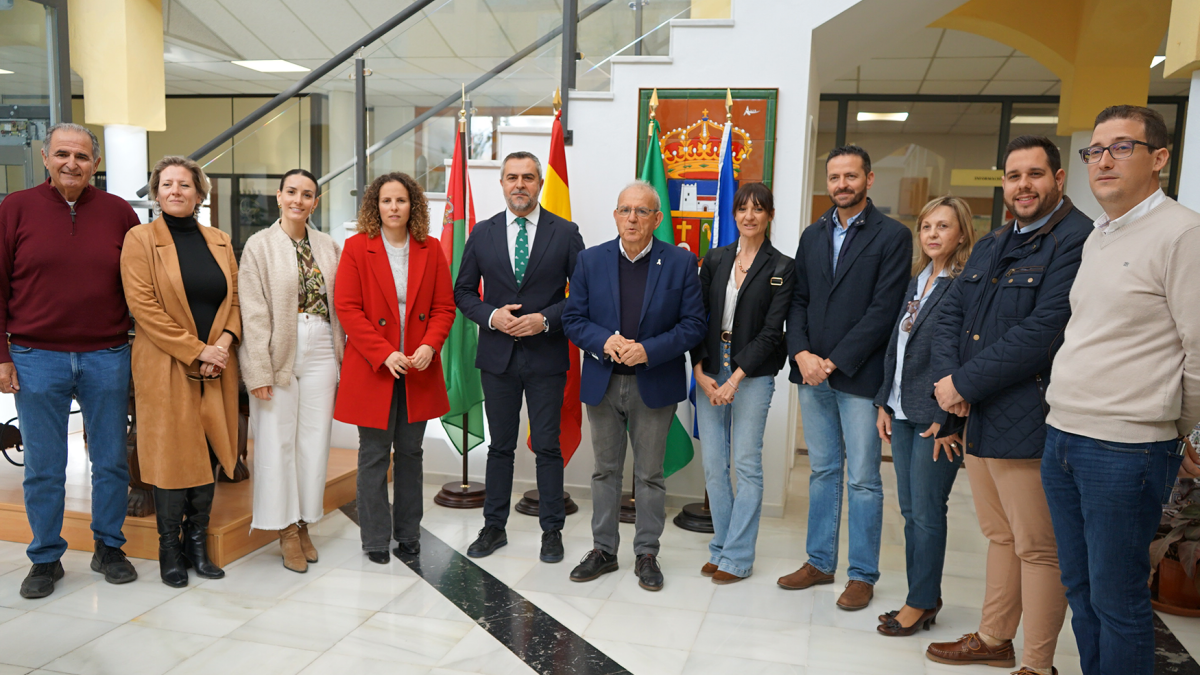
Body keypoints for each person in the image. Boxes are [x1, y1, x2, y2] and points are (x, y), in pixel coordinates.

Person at [1042, 106, 1200, 674]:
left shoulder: (1183, 232)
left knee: (1118, 599)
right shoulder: (1099, 235)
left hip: (1125, 448)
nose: (1103, 160)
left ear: (1159, 158)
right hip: (1063, 435)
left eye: (1121, 147)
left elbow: (1199, 350)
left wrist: (1171, 428)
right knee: (1081, 591)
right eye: (1095, 150)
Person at [925, 135, 1091, 675]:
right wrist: (951, 384)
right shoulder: (996, 241)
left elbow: (1045, 331)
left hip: (1031, 418)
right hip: (980, 417)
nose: (1024, 185)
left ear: (1058, 179)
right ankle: (995, 638)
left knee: (1039, 546)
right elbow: (951, 312)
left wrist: (964, 385)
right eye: (1014, 176)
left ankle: (1038, 664)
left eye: (1035, 174)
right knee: (999, 535)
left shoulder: (1075, 240)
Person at [0, 123, 140, 598]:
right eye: (62, 154)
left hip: (107, 353)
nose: (71, 164)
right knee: (43, 464)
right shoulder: (15, 208)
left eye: (81, 156)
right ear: (45, 157)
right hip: (36, 355)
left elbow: (138, 285)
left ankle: (108, 547)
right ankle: (45, 558)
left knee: (110, 459)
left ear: (95, 164)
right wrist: (2, 355)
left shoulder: (120, 213)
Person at [777, 145, 912, 612]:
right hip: (811, 375)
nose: (842, 185)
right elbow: (796, 301)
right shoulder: (813, 235)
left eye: (851, 176)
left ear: (868, 180)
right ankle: (818, 562)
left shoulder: (892, 237)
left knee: (862, 480)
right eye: (834, 177)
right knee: (823, 472)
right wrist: (802, 354)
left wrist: (831, 362)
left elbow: (883, 312)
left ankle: (862, 575)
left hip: (856, 376)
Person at [562, 181, 706, 592]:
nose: (632, 218)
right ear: (615, 215)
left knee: (649, 475)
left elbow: (694, 325)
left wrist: (649, 351)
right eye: (625, 210)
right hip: (603, 383)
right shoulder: (590, 260)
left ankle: (647, 554)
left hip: (652, 382)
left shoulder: (679, 263)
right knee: (604, 471)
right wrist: (603, 342)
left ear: (657, 219)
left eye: (642, 212)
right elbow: (574, 319)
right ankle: (604, 550)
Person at [454, 151, 585, 564]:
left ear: (540, 184)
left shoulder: (565, 233)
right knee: (500, 448)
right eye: (512, 177)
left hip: (547, 356)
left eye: (528, 177)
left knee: (548, 446)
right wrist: (492, 316)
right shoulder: (483, 232)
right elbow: (463, 292)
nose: (519, 185)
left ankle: (552, 532)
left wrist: (544, 320)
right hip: (498, 358)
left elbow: (582, 296)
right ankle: (494, 527)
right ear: (502, 183)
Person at [121, 156, 241, 588]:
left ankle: (197, 546)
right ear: (156, 192)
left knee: (207, 452)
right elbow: (144, 309)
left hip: (217, 365)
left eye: (185, 184)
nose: (175, 191)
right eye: (167, 184)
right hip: (166, 365)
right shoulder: (139, 239)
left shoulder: (220, 240)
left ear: (199, 193)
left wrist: (222, 345)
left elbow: (236, 302)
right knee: (173, 455)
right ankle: (169, 551)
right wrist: (198, 350)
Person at [334, 172, 455, 564]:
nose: (393, 208)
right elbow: (348, 308)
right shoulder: (355, 248)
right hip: (374, 369)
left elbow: (443, 308)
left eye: (401, 200)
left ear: (412, 206)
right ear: (375, 206)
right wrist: (383, 353)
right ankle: (373, 539)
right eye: (386, 201)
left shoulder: (431, 249)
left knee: (410, 453)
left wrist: (428, 346)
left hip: (417, 369)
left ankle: (407, 534)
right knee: (372, 455)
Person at [873, 196, 976, 637]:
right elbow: (897, 348)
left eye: (943, 226)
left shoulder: (965, 284)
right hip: (902, 409)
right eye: (926, 226)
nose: (933, 234)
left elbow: (964, 355)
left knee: (928, 511)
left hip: (937, 417)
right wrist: (883, 401)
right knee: (912, 510)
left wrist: (947, 416)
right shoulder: (918, 281)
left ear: (962, 234)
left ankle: (920, 603)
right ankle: (923, 596)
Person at [239, 168, 343, 574]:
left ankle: (302, 522)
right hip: (278, 349)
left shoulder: (328, 245)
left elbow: (342, 308)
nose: (299, 200)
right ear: (278, 197)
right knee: (275, 442)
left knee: (314, 442)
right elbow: (253, 312)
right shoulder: (258, 246)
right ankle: (283, 529)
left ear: (315, 202)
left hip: (321, 348)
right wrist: (258, 371)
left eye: (308, 194)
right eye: (292, 192)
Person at [691, 183, 793, 584]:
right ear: (733, 215)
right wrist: (699, 369)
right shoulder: (715, 259)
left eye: (758, 209)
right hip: (711, 364)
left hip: (753, 373)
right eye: (742, 209)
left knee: (747, 465)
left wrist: (734, 378)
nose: (749, 216)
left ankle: (738, 556)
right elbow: (697, 316)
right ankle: (721, 546)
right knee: (715, 466)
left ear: (769, 215)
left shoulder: (783, 266)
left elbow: (773, 333)